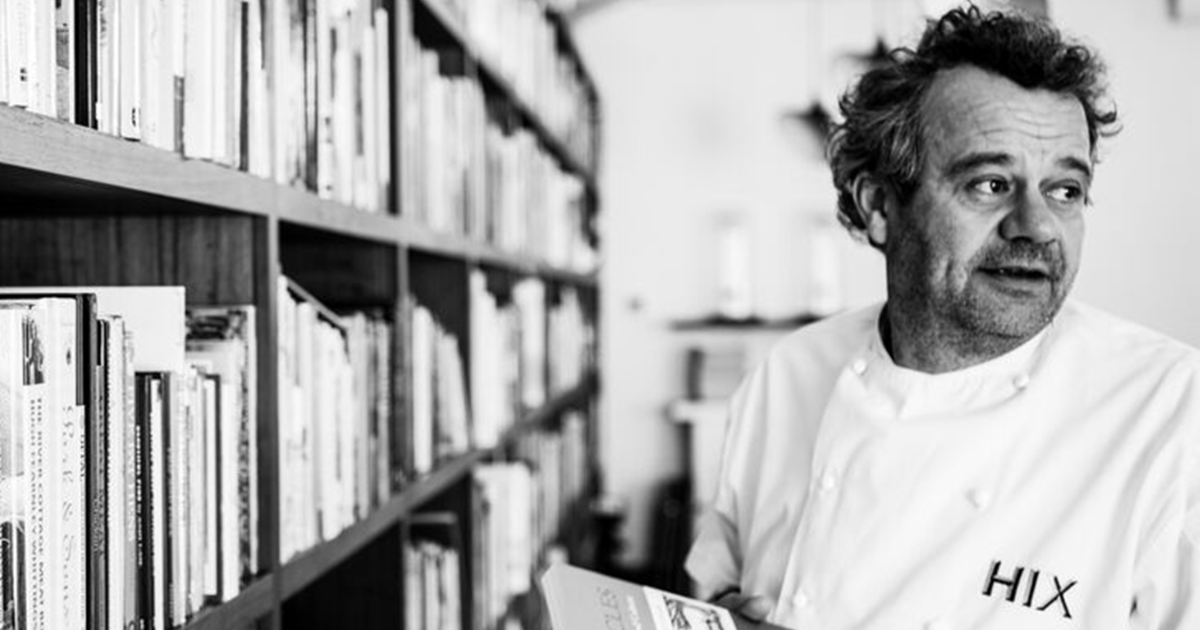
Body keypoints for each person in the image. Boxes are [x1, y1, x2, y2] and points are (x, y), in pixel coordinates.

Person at [684, 5, 1199, 629]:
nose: (1036, 226)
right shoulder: (788, 376)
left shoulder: (1172, 414)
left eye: (1065, 190)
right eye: (989, 183)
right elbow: (712, 589)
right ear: (878, 206)